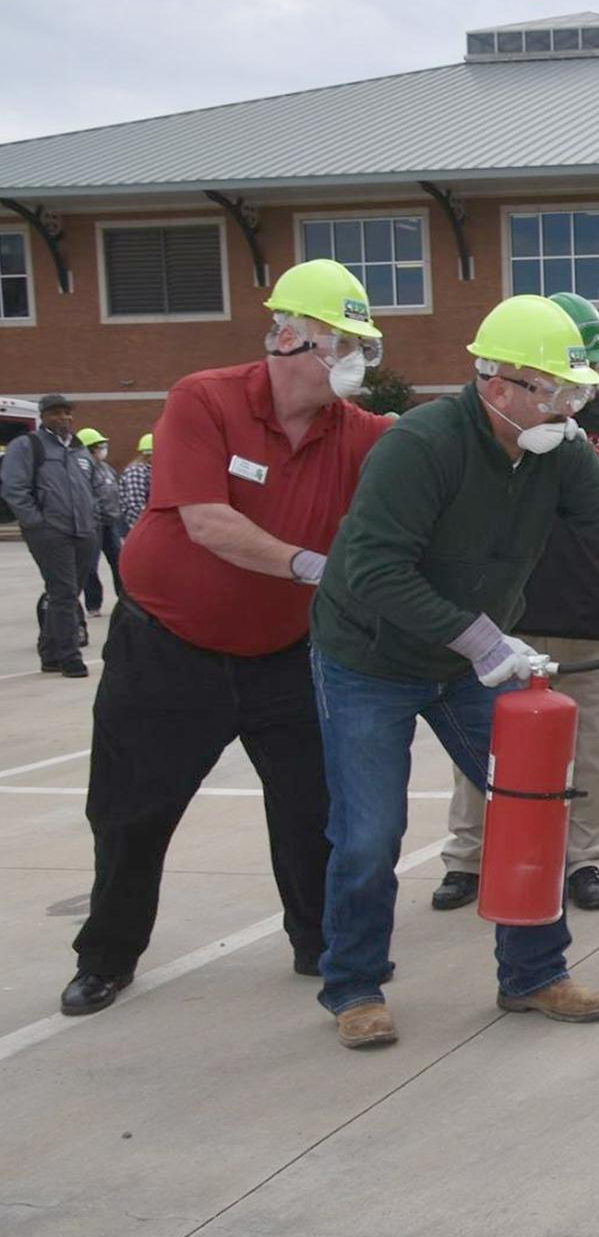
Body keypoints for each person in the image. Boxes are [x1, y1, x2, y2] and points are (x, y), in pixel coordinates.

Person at [310, 294, 599, 1049]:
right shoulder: (421, 446)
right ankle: (355, 984)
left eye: (578, 393)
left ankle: (532, 974)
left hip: (468, 660)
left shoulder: (553, 451)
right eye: (557, 392)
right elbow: (370, 570)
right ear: (499, 386)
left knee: (535, 803)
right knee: (369, 832)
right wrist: (482, 641)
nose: (571, 407)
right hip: (370, 659)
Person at [57, 259, 393, 1016]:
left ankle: (321, 942)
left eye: (358, 346)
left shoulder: (361, 434)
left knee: (314, 809)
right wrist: (315, 565)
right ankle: (107, 955)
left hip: (284, 658)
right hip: (167, 652)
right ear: (284, 338)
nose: (351, 362)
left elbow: (427, 460)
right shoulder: (203, 400)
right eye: (335, 344)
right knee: (132, 811)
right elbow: (208, 523)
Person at [431, 291, 599, 919]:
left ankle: (583, 860)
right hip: (506, 623)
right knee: (485, 746)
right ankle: (468, 858)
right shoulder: (499, 423)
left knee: (594, 742)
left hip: (593, 616)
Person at [1, 394, 100, 677]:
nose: (64, 418)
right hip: (50, 532)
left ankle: (49, 653)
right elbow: (13, 488)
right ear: (43, 416)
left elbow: (91, 485)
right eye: (56, 413)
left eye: (67, 413)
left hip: (84, 531)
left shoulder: (79, 448)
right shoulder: (27, 445)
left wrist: (93, 518)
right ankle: (70, 658)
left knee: (67, 593)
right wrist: (36, 523)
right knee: (64, 593)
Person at [76, 429, 123, 615]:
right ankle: (93, 604)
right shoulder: (82, 470)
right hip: (93, 524)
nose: (103, 449)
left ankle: (124, 599)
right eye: (99, 446)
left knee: (119, 562)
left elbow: (115, 490)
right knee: (90, 567)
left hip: (111, 523)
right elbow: (84, 495)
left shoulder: (107, 468)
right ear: (88, 449)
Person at [119, 432, 154, 534]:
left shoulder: (151, 470)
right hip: (136, 528)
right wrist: (144, 529)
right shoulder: (137, 471)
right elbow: (135, 506)